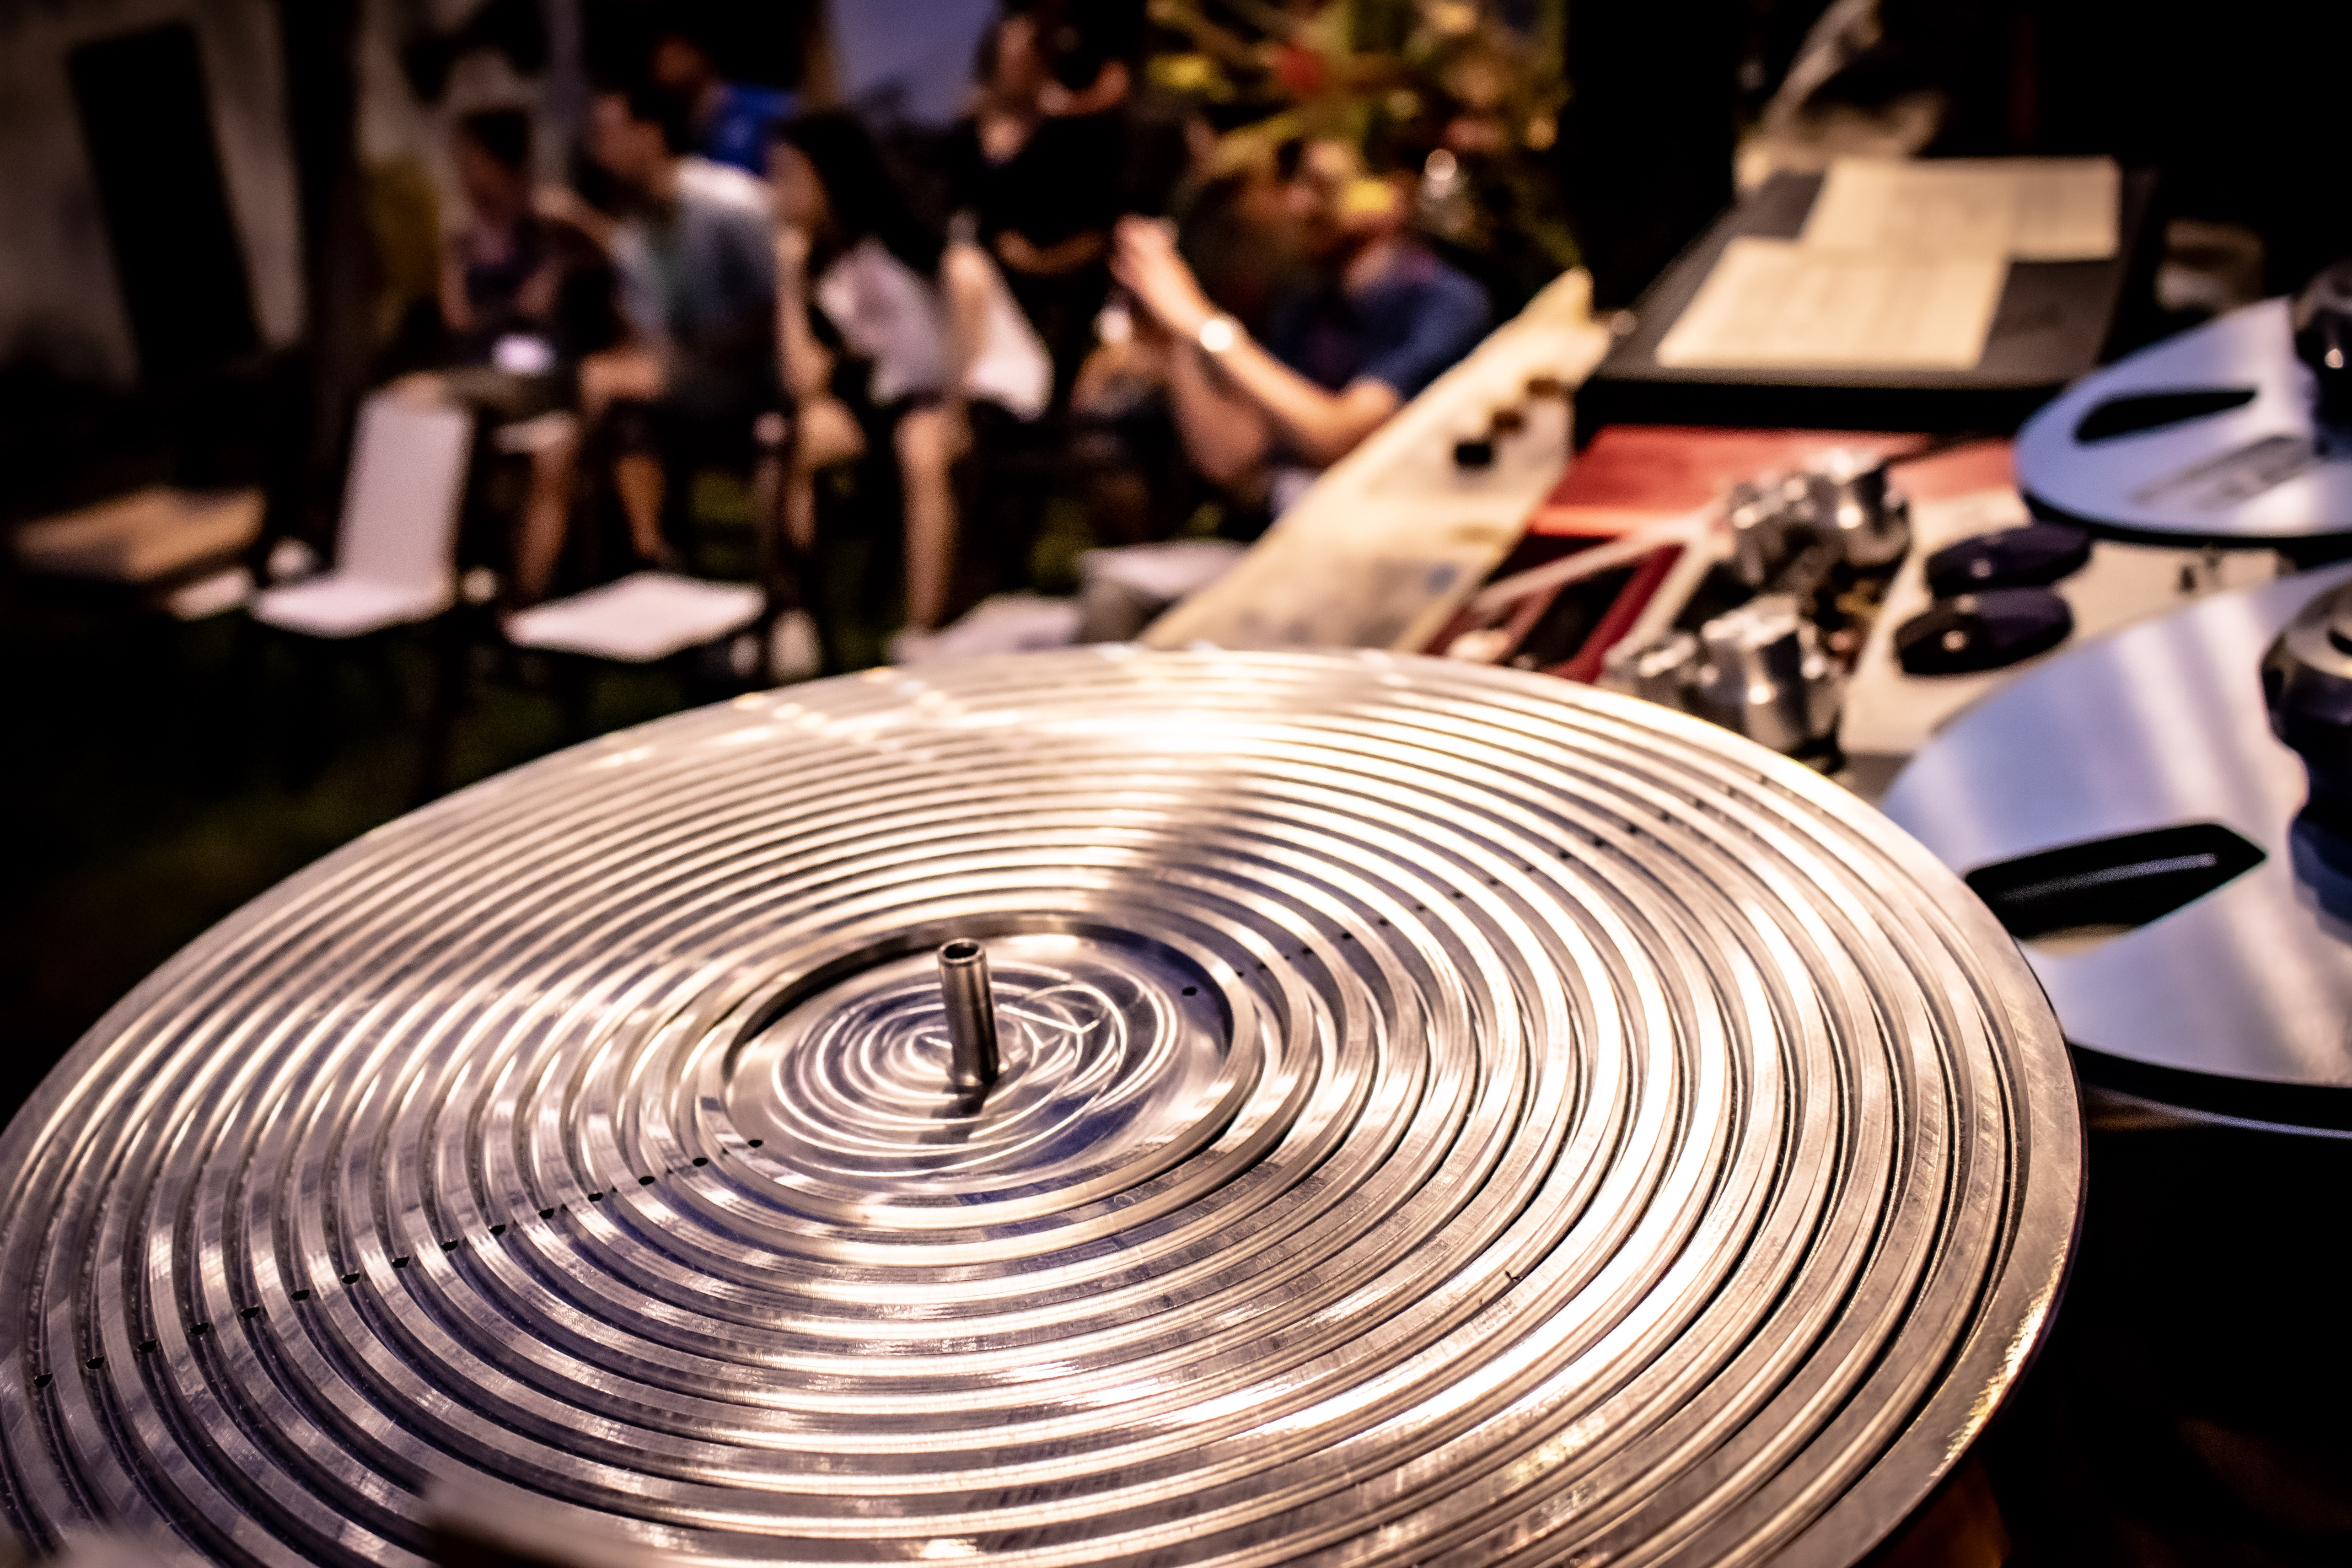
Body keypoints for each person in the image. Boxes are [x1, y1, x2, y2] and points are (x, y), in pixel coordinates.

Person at [770, 113, 1051, 649]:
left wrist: (957, 404)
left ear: (829, 174)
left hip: (987, 384)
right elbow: (803, 381)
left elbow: (968, 280)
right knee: (792, 435)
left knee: (921, 443)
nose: (775, 191)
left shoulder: (900, 229)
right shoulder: (825, 260)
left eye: (787, 174)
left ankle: (923, 630)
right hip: (903, 393)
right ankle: (793, 611)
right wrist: (788, 274)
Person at [1107, 136, 1491, 508]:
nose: (1298, 203)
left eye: (1324, 186)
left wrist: (1201, 320)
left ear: (1392, 196)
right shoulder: (1307, 304)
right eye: (1297, 185)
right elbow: (1232, 460)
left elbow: (1342, 440)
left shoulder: (1447, 303)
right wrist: (1181, 332)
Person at [513, 82, 777, 601]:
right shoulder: (633, 227)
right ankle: (640, 557)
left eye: (609, 133)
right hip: (674, 383)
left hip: (749, 378)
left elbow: (777, 311)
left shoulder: (729, 205)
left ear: (650, 134)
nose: (599, 149)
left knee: (589, 398)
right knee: (593, 431)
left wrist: (694, 352)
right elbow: (645, 325)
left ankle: (581, 572)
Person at [649, 21, 796, 178]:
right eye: (659, 58)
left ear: (698, 53)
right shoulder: (673, 128)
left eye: (674, 54)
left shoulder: (761, 104)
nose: (665, 65)